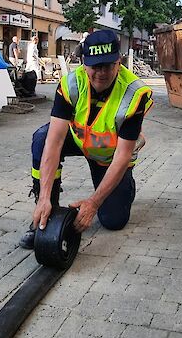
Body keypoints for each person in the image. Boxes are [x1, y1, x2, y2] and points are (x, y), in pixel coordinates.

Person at [20, 29, 153, 248]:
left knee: (113, 220)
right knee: (42, 138)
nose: (101, 73)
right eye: (95, 66)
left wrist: (93, 203)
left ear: (118, 63)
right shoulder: (70, 84)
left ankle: (126, 180)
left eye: (108, 66)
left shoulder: (134, 94)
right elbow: (54, 143)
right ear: (84, 63)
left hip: (110, 155)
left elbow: (121, 156)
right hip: (78, 139)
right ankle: (47, 212)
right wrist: (44, 197)